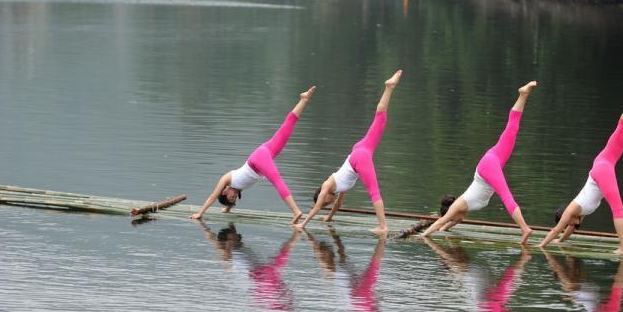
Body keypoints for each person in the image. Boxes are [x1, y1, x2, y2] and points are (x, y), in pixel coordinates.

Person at [538, 87, 623, 252]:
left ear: (567, 217)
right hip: (605, 161)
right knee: (622, 129)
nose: (569, 227)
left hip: (602, 169)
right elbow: (567, 231)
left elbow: (557, 230)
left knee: (617, 209)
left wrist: (541, 245)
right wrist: (560, 242)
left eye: (567, 224)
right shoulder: (580, 214)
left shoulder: (573, 209)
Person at [422, 82, 537, 245]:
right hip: (493, 159)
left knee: (506, 195)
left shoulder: (458, 206)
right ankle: (523, 94)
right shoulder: (462, 211)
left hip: (488, 166)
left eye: (454, 219)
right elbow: (445, 225)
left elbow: (442, 222)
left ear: (453, 212)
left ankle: (525, 229)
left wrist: (424, 235)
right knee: (511, 130)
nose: (458, 221)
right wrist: (443, 229)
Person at [296, 71, 402, 235]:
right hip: (360, 151)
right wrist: (329, 218)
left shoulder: (327, 185)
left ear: (323, 197)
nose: (329, 204)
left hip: (359, 158)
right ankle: (389, 88)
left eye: (326, 203)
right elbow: (338, 205)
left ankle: (383, 227)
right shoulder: (339, 186)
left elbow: (317, 206)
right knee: (380, 119)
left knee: (374, 192)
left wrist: (303, 225)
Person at [190, 86, 316, 224]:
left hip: (258, 159)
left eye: (231, 197)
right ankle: (304, 100)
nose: (235, 197)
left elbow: (213, 197)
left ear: (225, 192)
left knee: (277, 181)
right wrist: (227, 208)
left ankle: (296, 211)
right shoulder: (237, 187)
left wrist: (200, 213)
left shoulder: (227, 179)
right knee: (286, 127)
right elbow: (232, 194)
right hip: (264, 152)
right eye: (234, 200)